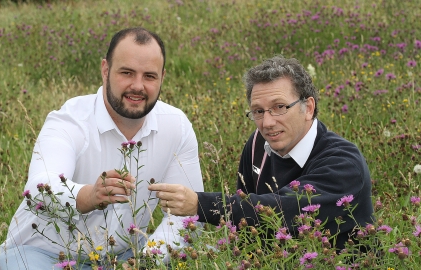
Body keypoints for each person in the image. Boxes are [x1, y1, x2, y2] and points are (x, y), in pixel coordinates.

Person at [0, 27, 203, 269]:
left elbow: (186, 215)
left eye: (149, 76)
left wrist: (144, 262)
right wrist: (89, 196)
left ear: (162, 77)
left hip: (125, 257)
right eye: (126, 72)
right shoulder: (69, 120)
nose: (138, 86)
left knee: (203, 255)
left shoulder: (176, 125)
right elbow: (40, 188)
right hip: (45, 255)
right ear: (105, 70)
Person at [149, 55, 374, 250]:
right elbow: (246, 225)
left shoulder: (343, 163)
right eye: (258, 111)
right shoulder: (259, 143)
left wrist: (201, 204)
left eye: (279, 107)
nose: (267, 122)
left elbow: (288, 210)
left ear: (309, 108)